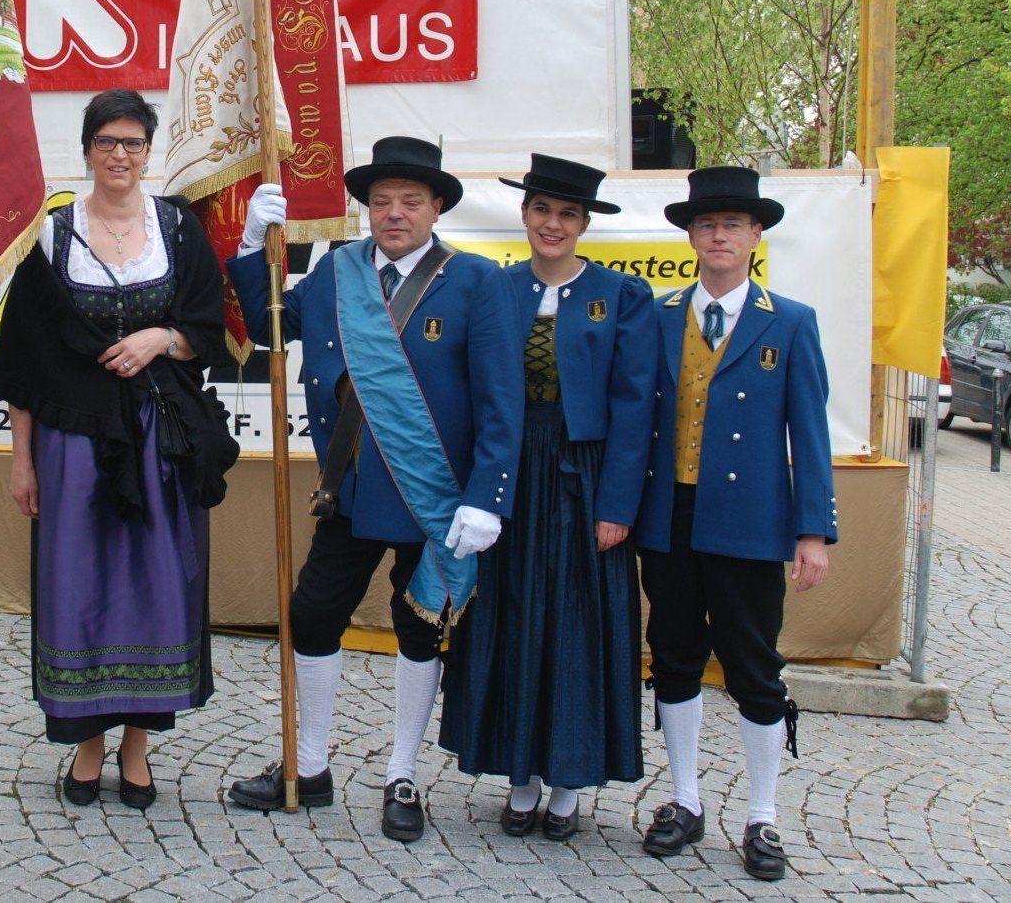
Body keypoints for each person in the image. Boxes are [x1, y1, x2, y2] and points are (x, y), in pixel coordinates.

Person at [223, 136, 523, 843]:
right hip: (352, 492)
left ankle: (402, 773)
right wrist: (246, 246)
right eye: (382, 201)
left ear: (437, 208)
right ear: (366, 209)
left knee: (418, 628)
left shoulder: (477, 281)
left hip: (435, 499)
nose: (394, 213)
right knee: (313, 613)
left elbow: (501, 403)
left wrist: (488, 497)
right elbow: (272, 327)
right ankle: (312, 764)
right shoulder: (337, 273)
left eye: (410, 202)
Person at [0, 89, 235, 810]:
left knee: (159, 587)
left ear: (148, 153)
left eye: (132, 143)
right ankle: (89, 746)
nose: (119, 156)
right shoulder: (51, 235)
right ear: (87, 149)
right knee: (78, 588)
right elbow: (23, 363)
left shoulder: (179, 231)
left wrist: (165, 337)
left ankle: (138, 748)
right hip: (73, 446)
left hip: (161, 444)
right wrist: (21, 459)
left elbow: (210, 331)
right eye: (107, 142)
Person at [437, 154, 657, 838]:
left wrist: (617, 506)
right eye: (541, 211)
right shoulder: (492, 291)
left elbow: (633, 409)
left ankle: (567, 782)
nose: (552, 224)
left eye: (567, 214)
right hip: (509, 476)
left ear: (585, 223)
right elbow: (472, 400)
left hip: (584, 478)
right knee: (511, 616)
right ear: (524, 215)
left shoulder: (622, 296)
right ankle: (520, 777)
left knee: (574, 627)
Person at [636, 165, 835, 882]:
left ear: (756, 235)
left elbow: (809, 434)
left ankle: (762, 816)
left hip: (752, 522)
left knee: (755, 668)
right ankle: (685, 799)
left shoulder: (791, 322)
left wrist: (813, 530)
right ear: (691, 236)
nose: (719, 236)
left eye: (733, 224)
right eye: (706, 224)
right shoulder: (658, 317)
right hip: (670, 518)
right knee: (676, 656)